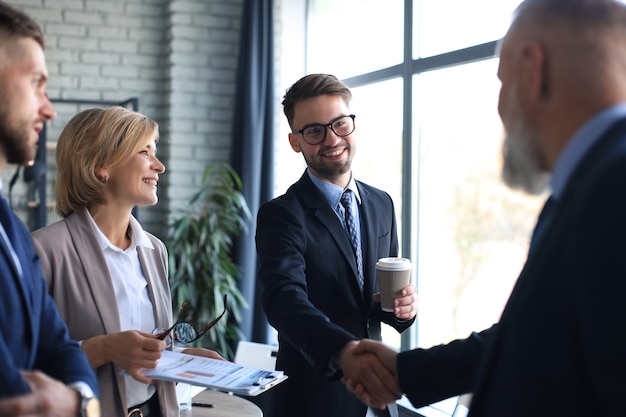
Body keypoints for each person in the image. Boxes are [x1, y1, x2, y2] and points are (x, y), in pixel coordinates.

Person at [344, 0, 626, 416]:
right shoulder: (586, 188)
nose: (498, 108)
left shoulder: (612, 189)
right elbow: (533, 336)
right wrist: (409, 371)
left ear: (532, 68)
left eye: (500, 80)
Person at [31, 106, 223, 417]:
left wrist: (184, 358)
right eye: (145, 152)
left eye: (155, 152)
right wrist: (104, 349)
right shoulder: (44, 250)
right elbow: (18, 359)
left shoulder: (155, 250)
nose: (159, 166)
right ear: (100, 166)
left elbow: (147, 346)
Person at [255, 73, 418, 417]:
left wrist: (402, 310)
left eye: (339, 124)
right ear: (295, 141)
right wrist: (344, 352)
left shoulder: (381, 203)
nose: (331, 139)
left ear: (352, 126)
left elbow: (373, 302)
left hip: (377, 398)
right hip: (312, 401)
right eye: (314, 130)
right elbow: (283, 302)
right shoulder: (281, 215)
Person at [0, 2, 100, 416]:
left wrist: (79, 401)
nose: (49, 108)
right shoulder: (43, 241)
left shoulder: (13, 228)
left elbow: (55, 341)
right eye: (36, 83)